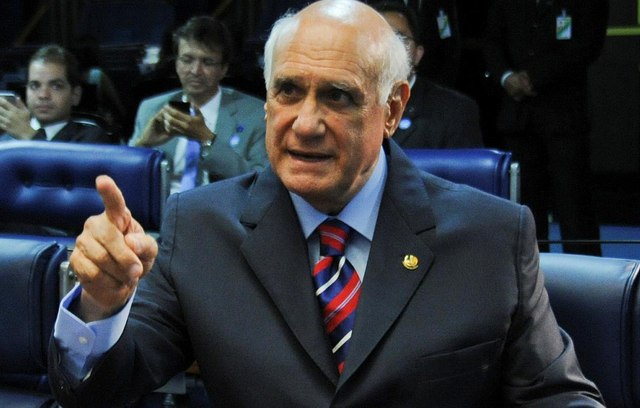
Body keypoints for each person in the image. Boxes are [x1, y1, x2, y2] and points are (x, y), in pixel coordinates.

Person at [49, 1, 604, 406]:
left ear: (392, 108)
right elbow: (100, 391)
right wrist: (101, 307)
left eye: (338, 96)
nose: (306, 123)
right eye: (288, 91)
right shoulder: (198, 226)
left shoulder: (493, 236)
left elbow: (556, 396)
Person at [483, 0, 609, 255]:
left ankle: (587, 272)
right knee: (526, 208)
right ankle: (530, 272)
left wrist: (534, 78)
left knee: (574, 205)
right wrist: (506, 77)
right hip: (519, 116)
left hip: (565, 115)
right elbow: (492, 40)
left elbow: (588, 44)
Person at [129, 15, 267, 193]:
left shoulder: (255, 113)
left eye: (207, 62)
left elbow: (260, 185)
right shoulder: (150, 108)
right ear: (176, 63)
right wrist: (143, 144)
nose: (195, 71)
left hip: (221, 208)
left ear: (223, 69)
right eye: (187, 60)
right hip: (162, 208)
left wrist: (207, 140)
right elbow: (124, 175)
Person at [372, 0, 483, 148]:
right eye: (379, 38)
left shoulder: (455, 111)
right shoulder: (345, 104)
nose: (389, 48)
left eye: (400, 38)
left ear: (418, 54)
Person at [0, 45, 112, 143]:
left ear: (75, 95)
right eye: (34, 86)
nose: (43, 95)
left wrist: (28, 134)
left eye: (56, 86)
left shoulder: (93, 138)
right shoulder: (6, 139)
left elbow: (61, 162)